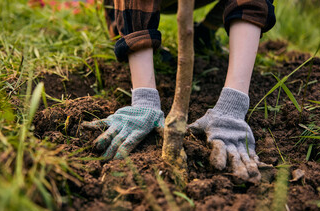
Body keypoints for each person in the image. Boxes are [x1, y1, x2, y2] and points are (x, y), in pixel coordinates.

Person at [82, 0, 276, 183]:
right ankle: (132, 41)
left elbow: (251, 3)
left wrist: (233, 105)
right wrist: (144, 100)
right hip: (132, 7)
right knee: (124, 22)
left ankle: (206, 32)